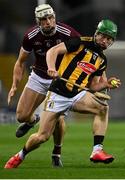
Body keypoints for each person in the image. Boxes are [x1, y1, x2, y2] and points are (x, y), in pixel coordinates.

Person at [4, 19, 121, 168]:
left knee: (103, 108)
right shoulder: (79, 42)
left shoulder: (102, 60)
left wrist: (105, 83)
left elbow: (93, 85)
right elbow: (53, 51)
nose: (105, 41)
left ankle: (97, 150)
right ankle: (20, 155)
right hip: (57, 94)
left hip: (77, 95)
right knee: (42, 137)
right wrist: (52, 67)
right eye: (103, 36)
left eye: (109, 39)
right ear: (96, 34)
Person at [7, 4, 81, 167]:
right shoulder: (30, 36)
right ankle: (33, 120)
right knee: (21, 116)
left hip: (60, 81)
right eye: (43, 20)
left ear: (54, 17)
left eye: (50, 18)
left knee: (58, 119)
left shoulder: (68, 32)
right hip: (39, 77)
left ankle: (56, 153)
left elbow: (83, 53)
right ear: (38, 22)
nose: (48, 22)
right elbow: (20, 62)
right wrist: (14, 85)